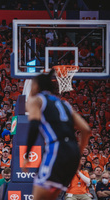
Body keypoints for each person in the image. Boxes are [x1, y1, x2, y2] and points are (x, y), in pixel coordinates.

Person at [22, 70, 91, 200]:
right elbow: (86, 130)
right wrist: (78, 154)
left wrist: (27, 154)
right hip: (73, 154)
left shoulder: (37, 101)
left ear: (36, 86)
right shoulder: (64, 104)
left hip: (57, 150)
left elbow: (34, 125)